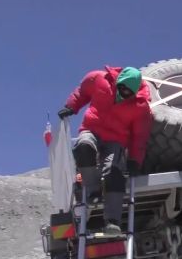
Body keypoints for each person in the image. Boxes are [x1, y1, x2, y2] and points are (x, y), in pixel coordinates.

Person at [58, 66, 152, 234]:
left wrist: (134, 160)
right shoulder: (99, 80)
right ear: (118, 82)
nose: (124, 94)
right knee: (83, 147)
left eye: (129, 92)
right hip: (91, 129)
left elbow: (140, 136)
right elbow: (82, 92)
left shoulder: (140, 106)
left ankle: (112, 221)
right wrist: (71, 106)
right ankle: (93, 190)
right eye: (122, 88)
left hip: (116, 140)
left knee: (114, 171)